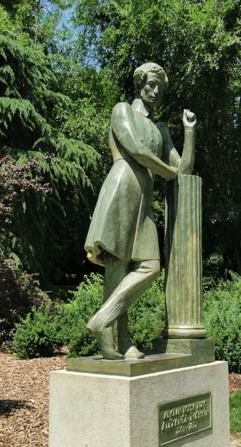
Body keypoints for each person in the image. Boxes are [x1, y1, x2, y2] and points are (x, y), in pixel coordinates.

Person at [84, 62, 196, 360]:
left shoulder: (161, 130)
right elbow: (136, 150)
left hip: (144, 201)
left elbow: (183, 168)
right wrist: (168, 173)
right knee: (117, 270)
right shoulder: (123, 110)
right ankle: (116, 342)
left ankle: (102, 319)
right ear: (139, 84)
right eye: (151, 84)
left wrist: (189, 133)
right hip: (122, 189)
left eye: (160, 87)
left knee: (151, 266)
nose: (155, 91)